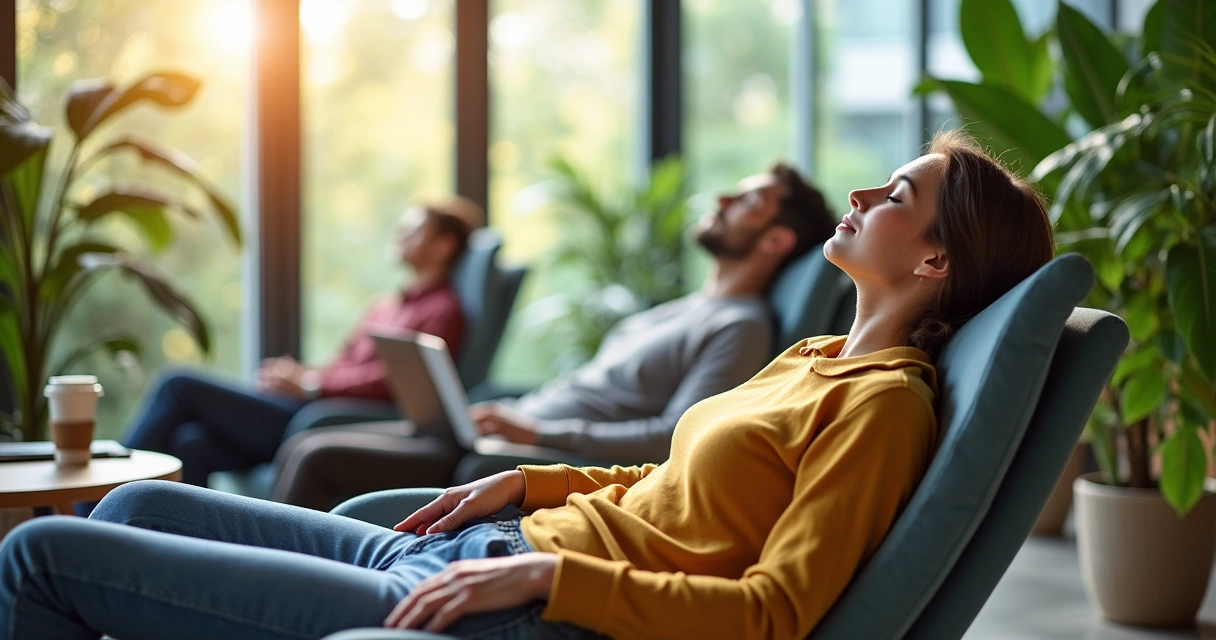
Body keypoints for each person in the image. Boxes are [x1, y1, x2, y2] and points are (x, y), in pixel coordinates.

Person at [0, 130, 1056, 640]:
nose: (869, 189)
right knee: (130, 499)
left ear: (934, 264)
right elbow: (679, 481)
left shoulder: (882, 404)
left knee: (40, 549)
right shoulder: (816, 356)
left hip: (517, 607)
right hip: (494, 548)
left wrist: (549, 582)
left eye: (900, 193)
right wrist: (531, 481)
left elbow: (776, 612)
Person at [269, 163, 837, 510]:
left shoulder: (739, 326)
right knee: (307, 444)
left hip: (530, 456)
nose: (722, 200)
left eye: (748, 202)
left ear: (776, 241)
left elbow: (675, 439)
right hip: (505, 435)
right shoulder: (681, 309)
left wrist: (539, 429)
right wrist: (512, 412)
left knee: (319, 452)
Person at [120, 198, 483, 487]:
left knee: (179, 386)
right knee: (191, 443)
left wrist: (312, 385)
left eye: (413, 230)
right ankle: (178, 546)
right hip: (309, 402)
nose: (399, 235)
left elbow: (397, 384)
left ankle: (97, 504)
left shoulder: (442, 311)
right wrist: (299, 373)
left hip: (325, 418)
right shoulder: (384, 306)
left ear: (444, 245)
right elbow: (345, 363)